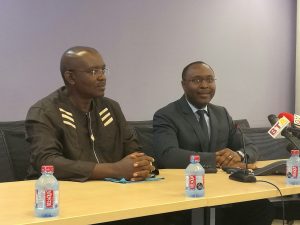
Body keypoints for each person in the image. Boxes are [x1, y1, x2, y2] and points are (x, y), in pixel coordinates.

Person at [153, 61, 274, 225]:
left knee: (261, 206)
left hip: (222, 191)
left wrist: (237, 155)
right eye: (197, 80)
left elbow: (251, 147)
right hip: (184, 194)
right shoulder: (166, 115)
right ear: (183, 85)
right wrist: (215, 160)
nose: (205, 85)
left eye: (210, 80)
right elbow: (167, 155)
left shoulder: (221, 113)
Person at [25, 46, 155, 182]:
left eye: (103, 70)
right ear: (71, 77)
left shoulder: (111, 107)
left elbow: (133, 151)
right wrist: (115, 170)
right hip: (57, 193)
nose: (102, 77)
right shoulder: (44, 112)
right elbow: (47, 162)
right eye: (93, 71)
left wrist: (140, 166)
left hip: (110, 190)